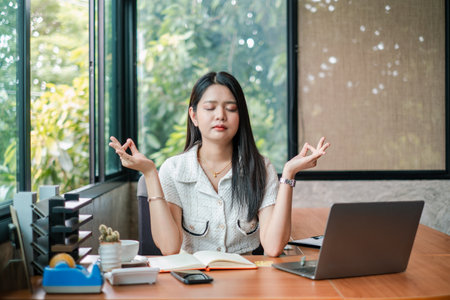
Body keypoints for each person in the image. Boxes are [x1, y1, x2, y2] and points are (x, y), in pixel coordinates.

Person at [109, 71, 329, 257]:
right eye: (210, 108)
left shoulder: (260, 168)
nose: (220, 115)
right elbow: (169, 248)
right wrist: (149, 173)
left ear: (240, 116)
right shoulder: (173, 170)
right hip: (191, 281)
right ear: (194, 116)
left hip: (246, 284)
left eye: (231, 109)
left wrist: (289, 174)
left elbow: (272, 247)